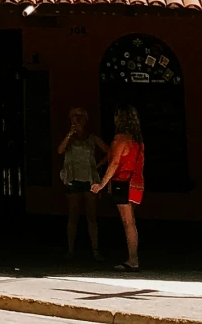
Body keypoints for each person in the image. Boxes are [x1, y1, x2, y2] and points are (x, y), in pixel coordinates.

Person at [92, 104, 146, 271]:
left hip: (124, 183)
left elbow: (115, 162)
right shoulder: (138, 141)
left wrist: (102, 184)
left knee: (128, 223)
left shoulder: (120, 139)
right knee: (132, 222)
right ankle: (132, 258)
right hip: (137, 183)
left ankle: (133, 259)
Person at [57, 105, 100, 262]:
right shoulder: (69, 138)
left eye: (81, 115)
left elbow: (109, 152)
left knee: (92, 217)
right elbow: (60, 150)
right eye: (75, 115)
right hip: (73, 179)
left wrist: (98, 166)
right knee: (72, 216)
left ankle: (95, 251)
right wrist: (70, 133)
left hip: (89, 180)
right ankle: (70, 250)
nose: (78, 118)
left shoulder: (92, 138)